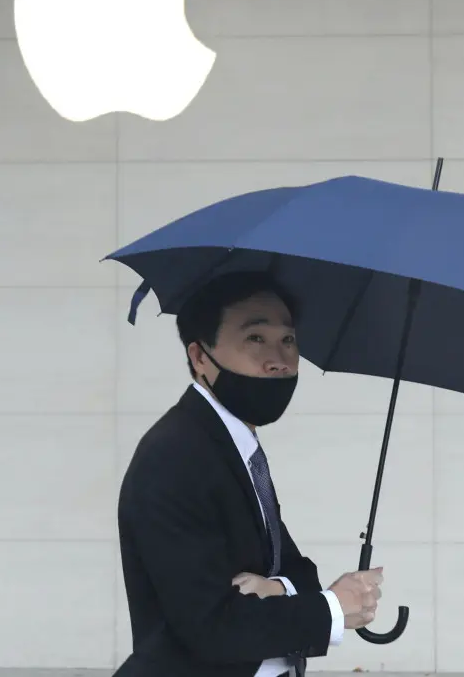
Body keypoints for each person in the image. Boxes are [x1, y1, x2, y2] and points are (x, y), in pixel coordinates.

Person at [113, 270, 385, 677]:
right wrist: (332, 608)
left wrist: (276, 589)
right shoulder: (175, 457)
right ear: (200, 356)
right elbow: (209, 628)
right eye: (256, 338)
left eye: (288, 340)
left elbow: (296, 571)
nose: (279, 360)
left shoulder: (235, 448)